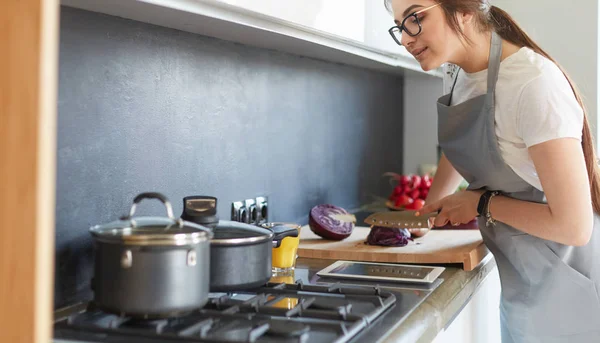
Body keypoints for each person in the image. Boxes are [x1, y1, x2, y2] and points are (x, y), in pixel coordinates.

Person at [384, 0, 600, 342]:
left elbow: (575, 227)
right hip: (523, 290)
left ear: (465, 10)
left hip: (571, 291)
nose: (406, 38)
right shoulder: (458, 74)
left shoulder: (533, 84)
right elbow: (466, 143)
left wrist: (480, 203)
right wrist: (430, 209)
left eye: (416, 17)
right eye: (400, 25)